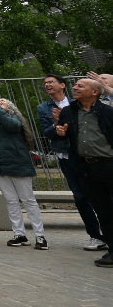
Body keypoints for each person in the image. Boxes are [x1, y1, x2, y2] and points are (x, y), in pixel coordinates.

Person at [37, 74, 107, 251]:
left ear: (62, 85)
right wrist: (56, 125)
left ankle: (109, 234)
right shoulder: (44, 107)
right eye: (45, 83)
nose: (47, 85)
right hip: (67, 158)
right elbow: (48, 133)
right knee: (80, 197)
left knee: (103, 196)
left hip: (91, 156)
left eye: (51, 82)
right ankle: (95, 236)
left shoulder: (77, 104)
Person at [0, 96, 48, 250]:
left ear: (10, 107)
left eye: (2, 102)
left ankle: (40, 235)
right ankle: (19, 234)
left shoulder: (14, 118)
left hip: (18, 164)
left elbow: (12, 126)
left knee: (28, 199)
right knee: (10, 200)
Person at [55, 78, 113, 267]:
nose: (75, 87)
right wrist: (59, 132)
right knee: (103, 211)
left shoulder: (107, 111)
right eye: (75, 85)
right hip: (86, 168)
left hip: (109, 165)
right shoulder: (68, 112)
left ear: (95, 92)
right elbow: (59, 134)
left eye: (81, 86)